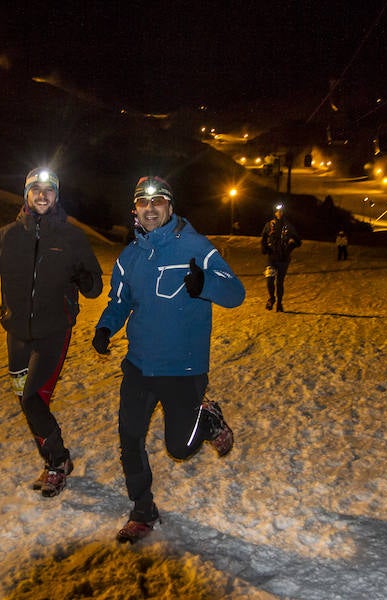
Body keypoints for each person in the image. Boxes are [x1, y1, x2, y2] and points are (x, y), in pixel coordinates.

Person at [92, 176, 246, 544]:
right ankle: (142, 510)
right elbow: (119, 301)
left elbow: (235, 292)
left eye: (158, 200)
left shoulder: (196, 246)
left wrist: (205, 283)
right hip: (140, 364)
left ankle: (207, 420)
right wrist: (105, 327)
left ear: (170, 207)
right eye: (143, 202)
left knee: (180, 447)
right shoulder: (129, 257)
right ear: (135, 210)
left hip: (183, 367)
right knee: (130, 438)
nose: (150, 208)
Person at [0, 167, 103, 497]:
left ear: (56, 196)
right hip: (16, 334)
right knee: (26, 401)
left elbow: (95, 287)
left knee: (33, 399)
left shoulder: (72, 237)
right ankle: (55, 458)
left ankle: (57, 462)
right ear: (26, 195)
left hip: (53, 331)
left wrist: (86, 281)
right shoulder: (6, 236)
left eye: (49, 190)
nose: (42, 195)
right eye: (36, 190)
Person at [260, 203, 301, 311]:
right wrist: (264, 248)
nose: (279, 213)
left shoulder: (289, 226)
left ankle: (279, 303)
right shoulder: (269, 225)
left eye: (281, 211)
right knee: (269, 279)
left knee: (279, 282)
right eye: (277, 211)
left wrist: (290, 247)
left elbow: (298, 241)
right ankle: (271, 298)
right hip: (272, 258)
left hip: (283, 258)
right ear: (274, 213)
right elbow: (263, 238)